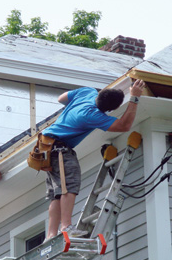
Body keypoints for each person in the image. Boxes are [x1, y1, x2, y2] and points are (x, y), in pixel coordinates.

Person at [42, 79, 146, 239]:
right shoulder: (92, 115)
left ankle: (50, 235)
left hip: (46, 147)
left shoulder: (87, 91)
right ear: (112, 109)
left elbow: (61, 98)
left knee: (57, 193)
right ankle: (66, 228)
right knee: (69, 186)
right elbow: (124, 126)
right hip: (60, 148)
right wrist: (134, 98)